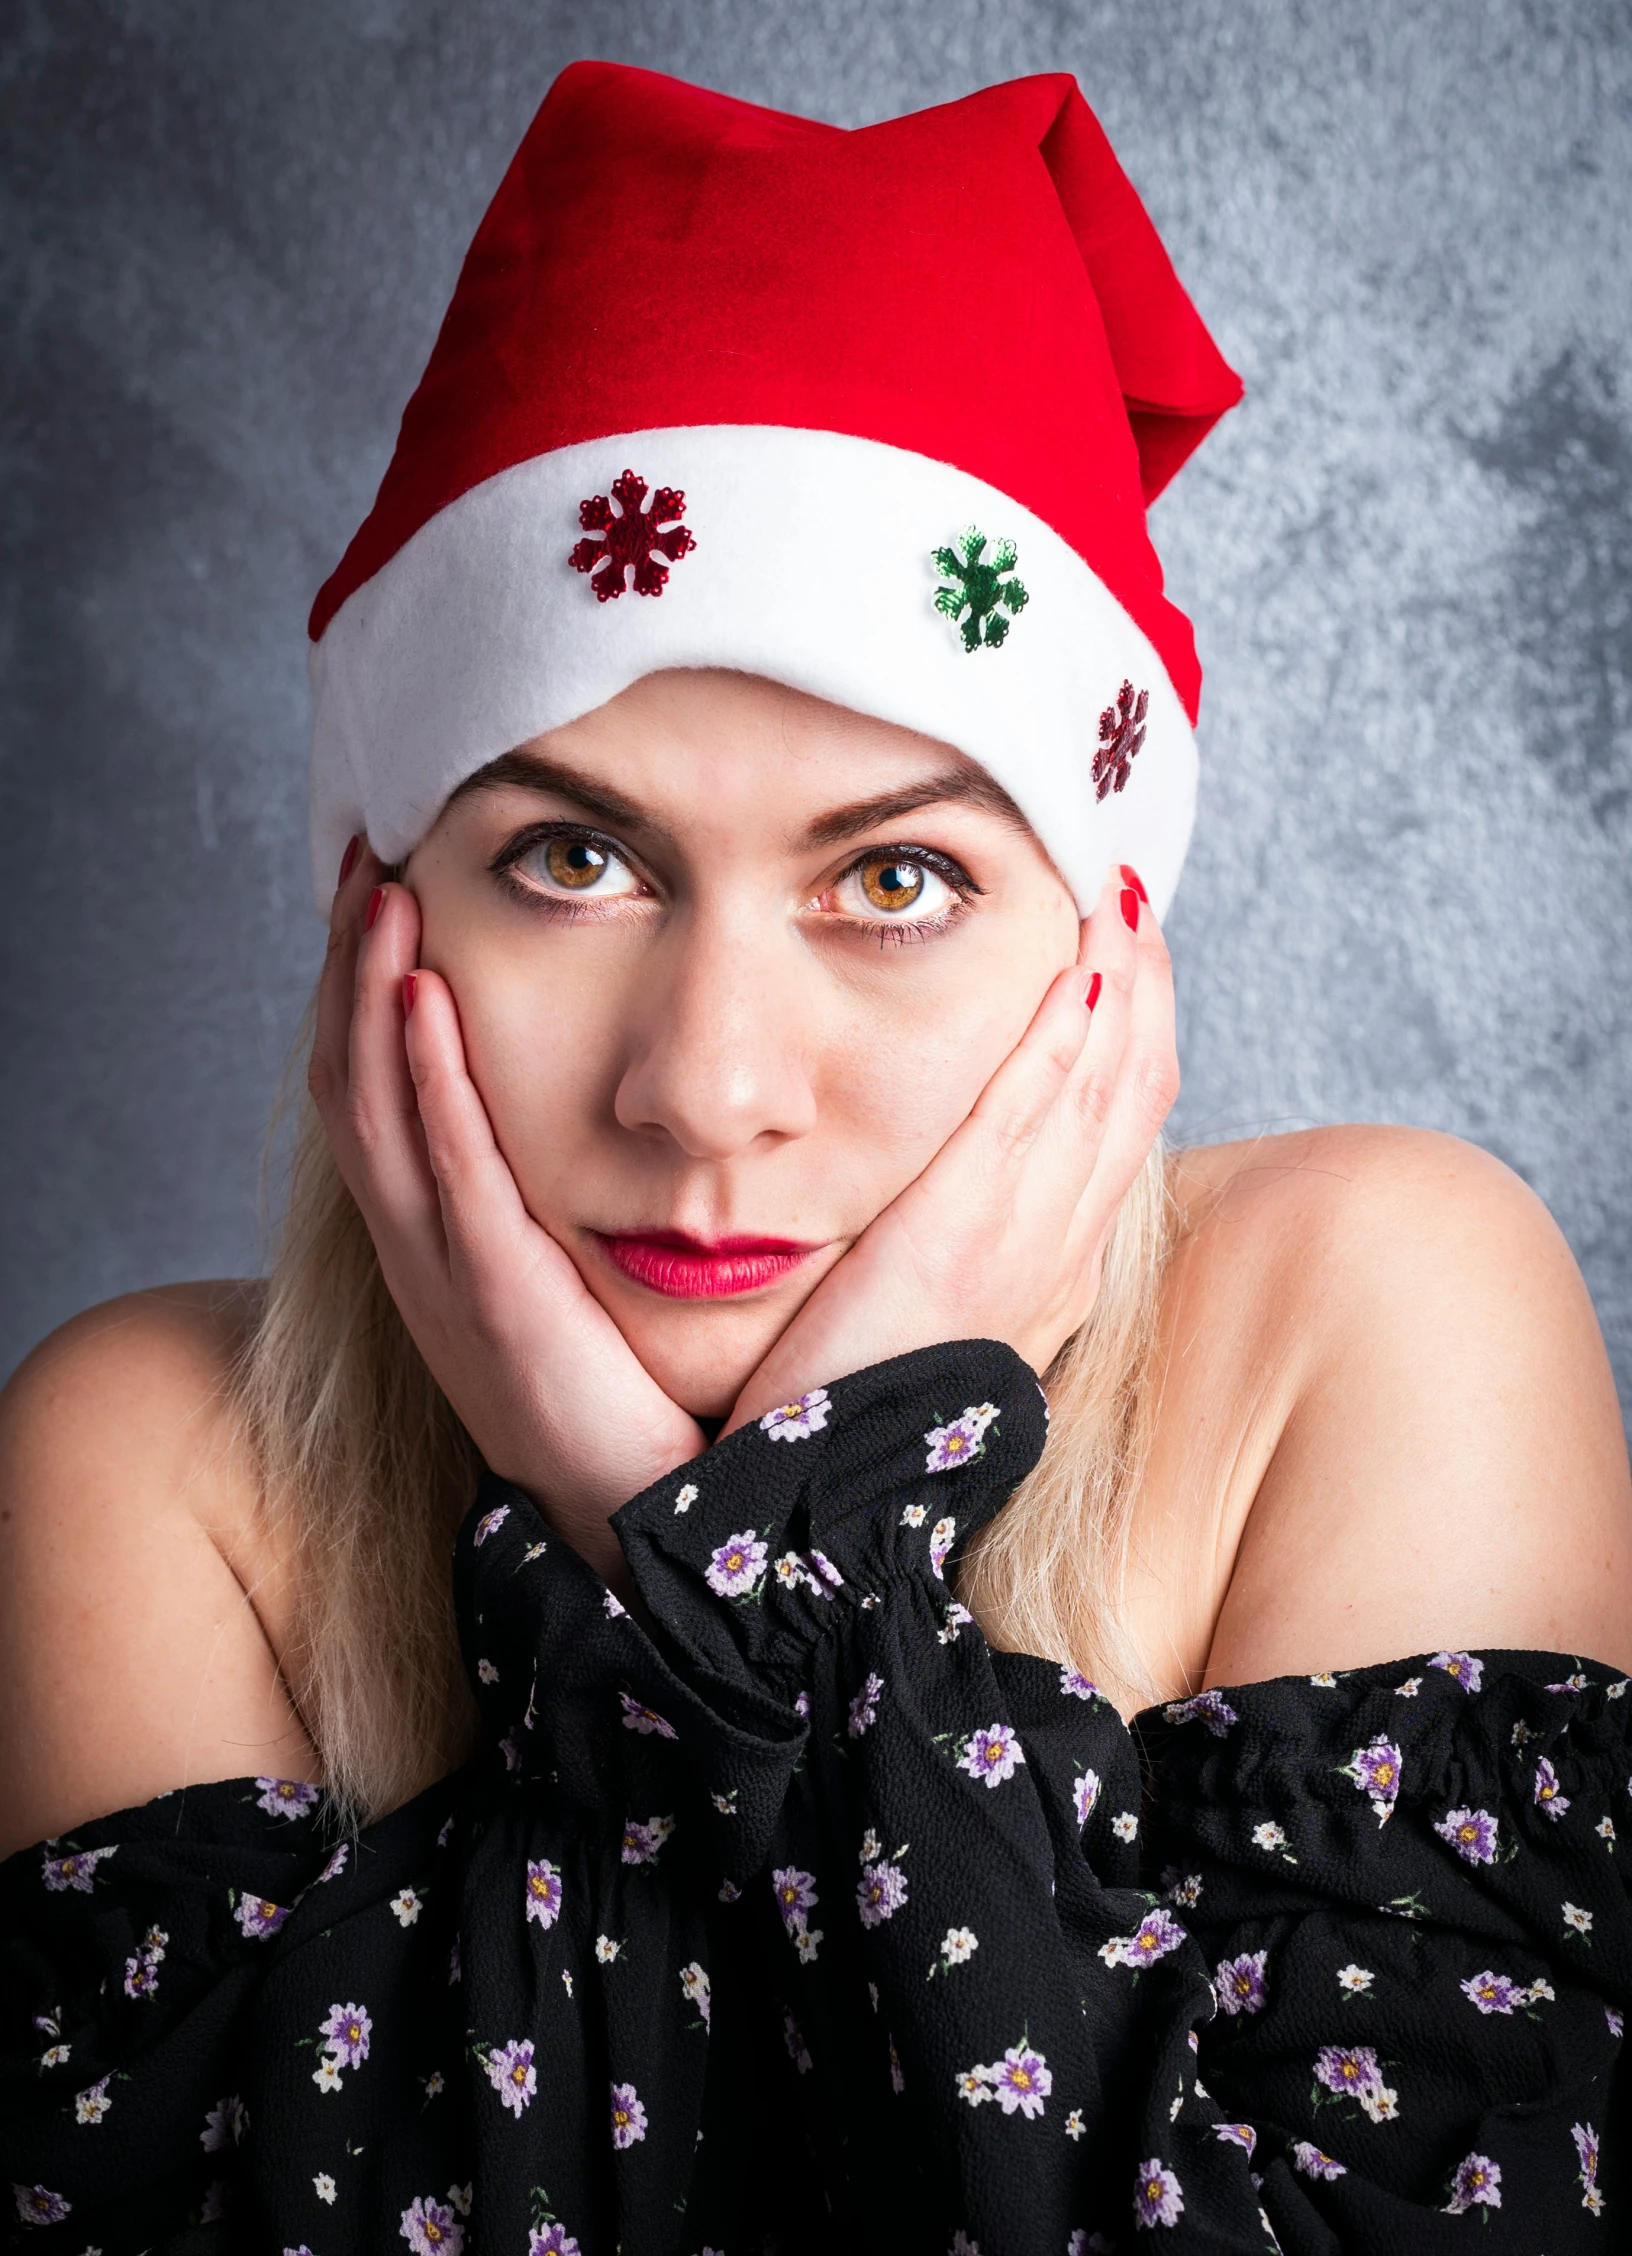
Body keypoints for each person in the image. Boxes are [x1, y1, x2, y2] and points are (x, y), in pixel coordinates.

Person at [2, 57, 1629, 2256]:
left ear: (1099, 946)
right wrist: (757, 1570)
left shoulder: (1368, 1324)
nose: (707, 1083)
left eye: (895, 883)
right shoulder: (145, 1472)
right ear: (376, 913)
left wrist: (781, 1570)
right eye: (573, 855)